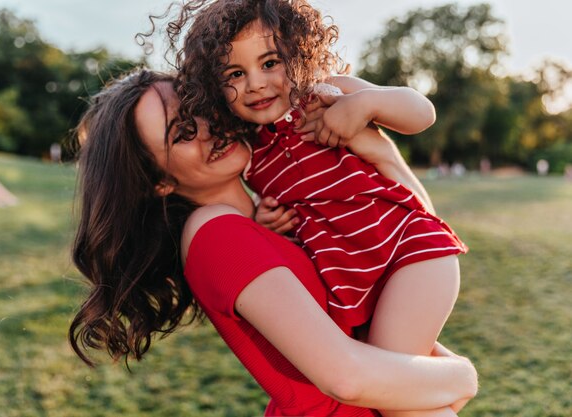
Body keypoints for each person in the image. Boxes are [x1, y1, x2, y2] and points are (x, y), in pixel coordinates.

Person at [69, 68, 477, 416]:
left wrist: (383, 156)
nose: (207, 130)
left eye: (198, 109)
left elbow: (414, 236)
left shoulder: (277, 217)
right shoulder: (215, 235)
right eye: (182, 133)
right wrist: (461, 375)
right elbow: (347, 377)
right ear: (159, 181)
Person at [167, 2, 469, 415]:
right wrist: (265, 219)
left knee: (397, 392)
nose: (256, 83)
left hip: (408, 251)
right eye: (235, 74)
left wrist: (366, 106)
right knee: (399, 389)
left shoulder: (327, 93)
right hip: (349, 275)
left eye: (270, 61)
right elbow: (269, 225)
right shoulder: (249, 152)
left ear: (299, 52)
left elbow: (421, 112)